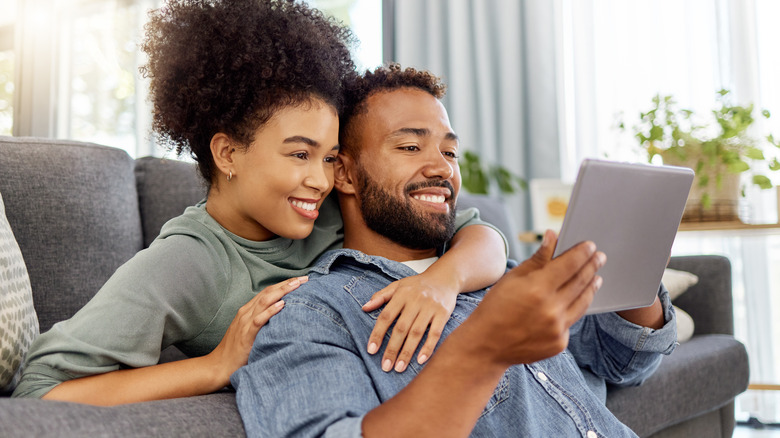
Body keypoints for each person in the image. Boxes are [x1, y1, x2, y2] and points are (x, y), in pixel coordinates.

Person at [12, 2, 508, 405]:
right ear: (228, 153)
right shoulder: (190, 263)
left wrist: (445, 281)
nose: (321, 179)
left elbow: (478, 233)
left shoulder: (333, 201)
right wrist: (215, 366)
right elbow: (41, 389)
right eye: (299, 153)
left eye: (331, 156)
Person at [231, 64, 678, 437]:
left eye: (450, 151)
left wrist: (627, 253)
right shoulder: (313, 312)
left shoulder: (497, 274)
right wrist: (482, 350)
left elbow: (623, 362)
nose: (441, 167)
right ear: (344, 174)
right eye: (410, 146)